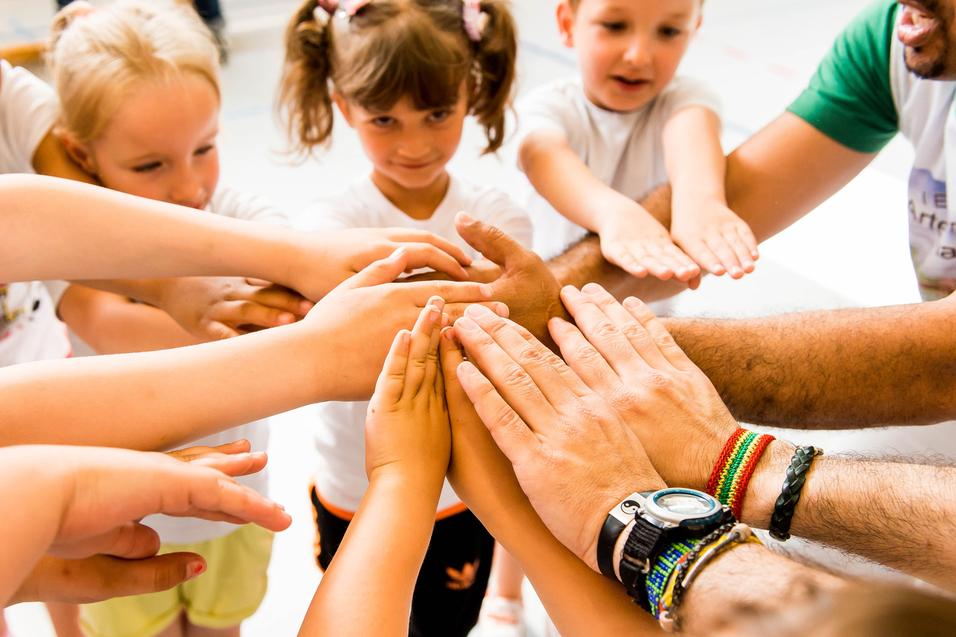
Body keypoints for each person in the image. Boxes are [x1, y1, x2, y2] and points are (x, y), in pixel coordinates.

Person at [279, 1, 529, 633]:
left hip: (467, 485)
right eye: (384, 119)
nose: (413, 143)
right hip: (353, 480)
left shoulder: (497, 218)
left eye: (436, 113)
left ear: (468, 92)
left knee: (448, 623)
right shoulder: (325, 229)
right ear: (344, 107)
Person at [43, 3, 289, 636]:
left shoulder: (242, 213)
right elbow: (104, 323)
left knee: (220, 625)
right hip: (115, 512)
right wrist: (240, 325)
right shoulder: (64, 236)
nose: (189, 188)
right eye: (151, 166)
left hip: (232, 498)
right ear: (81, 154)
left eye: (203, 148)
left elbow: (288, 272)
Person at [516, 0, 756, 282]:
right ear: (568, 23)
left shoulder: (687, 101)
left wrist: (701, 201)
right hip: (550, 285)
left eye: (668, 31)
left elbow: (692, 136)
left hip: (643, 303)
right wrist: (612, 214)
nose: (639, 56)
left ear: (693, 30)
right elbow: (543, 158)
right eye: (615, 26)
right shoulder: (546, 107)